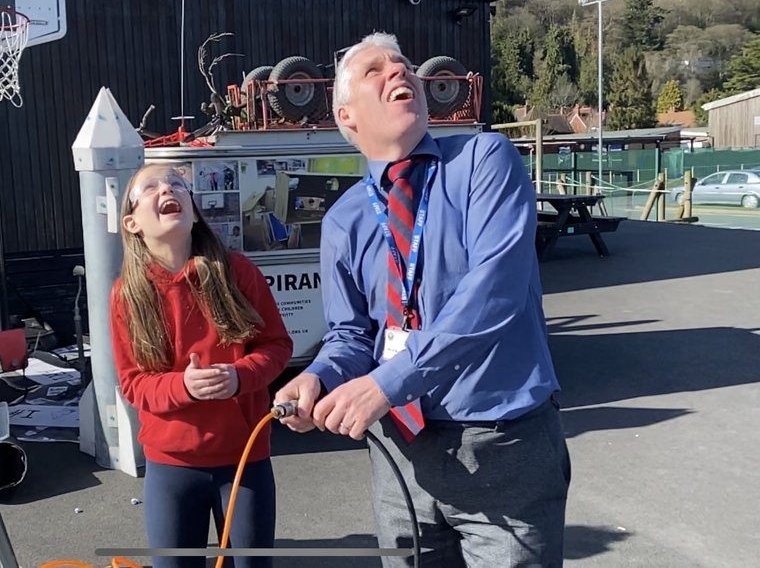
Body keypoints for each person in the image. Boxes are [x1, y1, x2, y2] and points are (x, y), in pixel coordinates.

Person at [274, 32, 571, 567]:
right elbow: (351, 336)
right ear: (347, 118)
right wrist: (318, 376)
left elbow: (495, 290)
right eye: (376, 70)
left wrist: (387, 382)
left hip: (500, 446)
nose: (400, 72)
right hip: (398, 454)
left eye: (405, 65)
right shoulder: (344, 221)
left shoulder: (484, 159)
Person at [109, 163, 292, 568]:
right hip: (171, 466)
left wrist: (240, 377)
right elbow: (132, 383)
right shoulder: (127, 295)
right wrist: (184, 387)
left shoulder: (238, 271)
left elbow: (277, 346)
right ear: (132, 222)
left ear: (193, 211)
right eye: (151, 188)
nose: (167, 189)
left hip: (245, 459)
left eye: (177, 184)